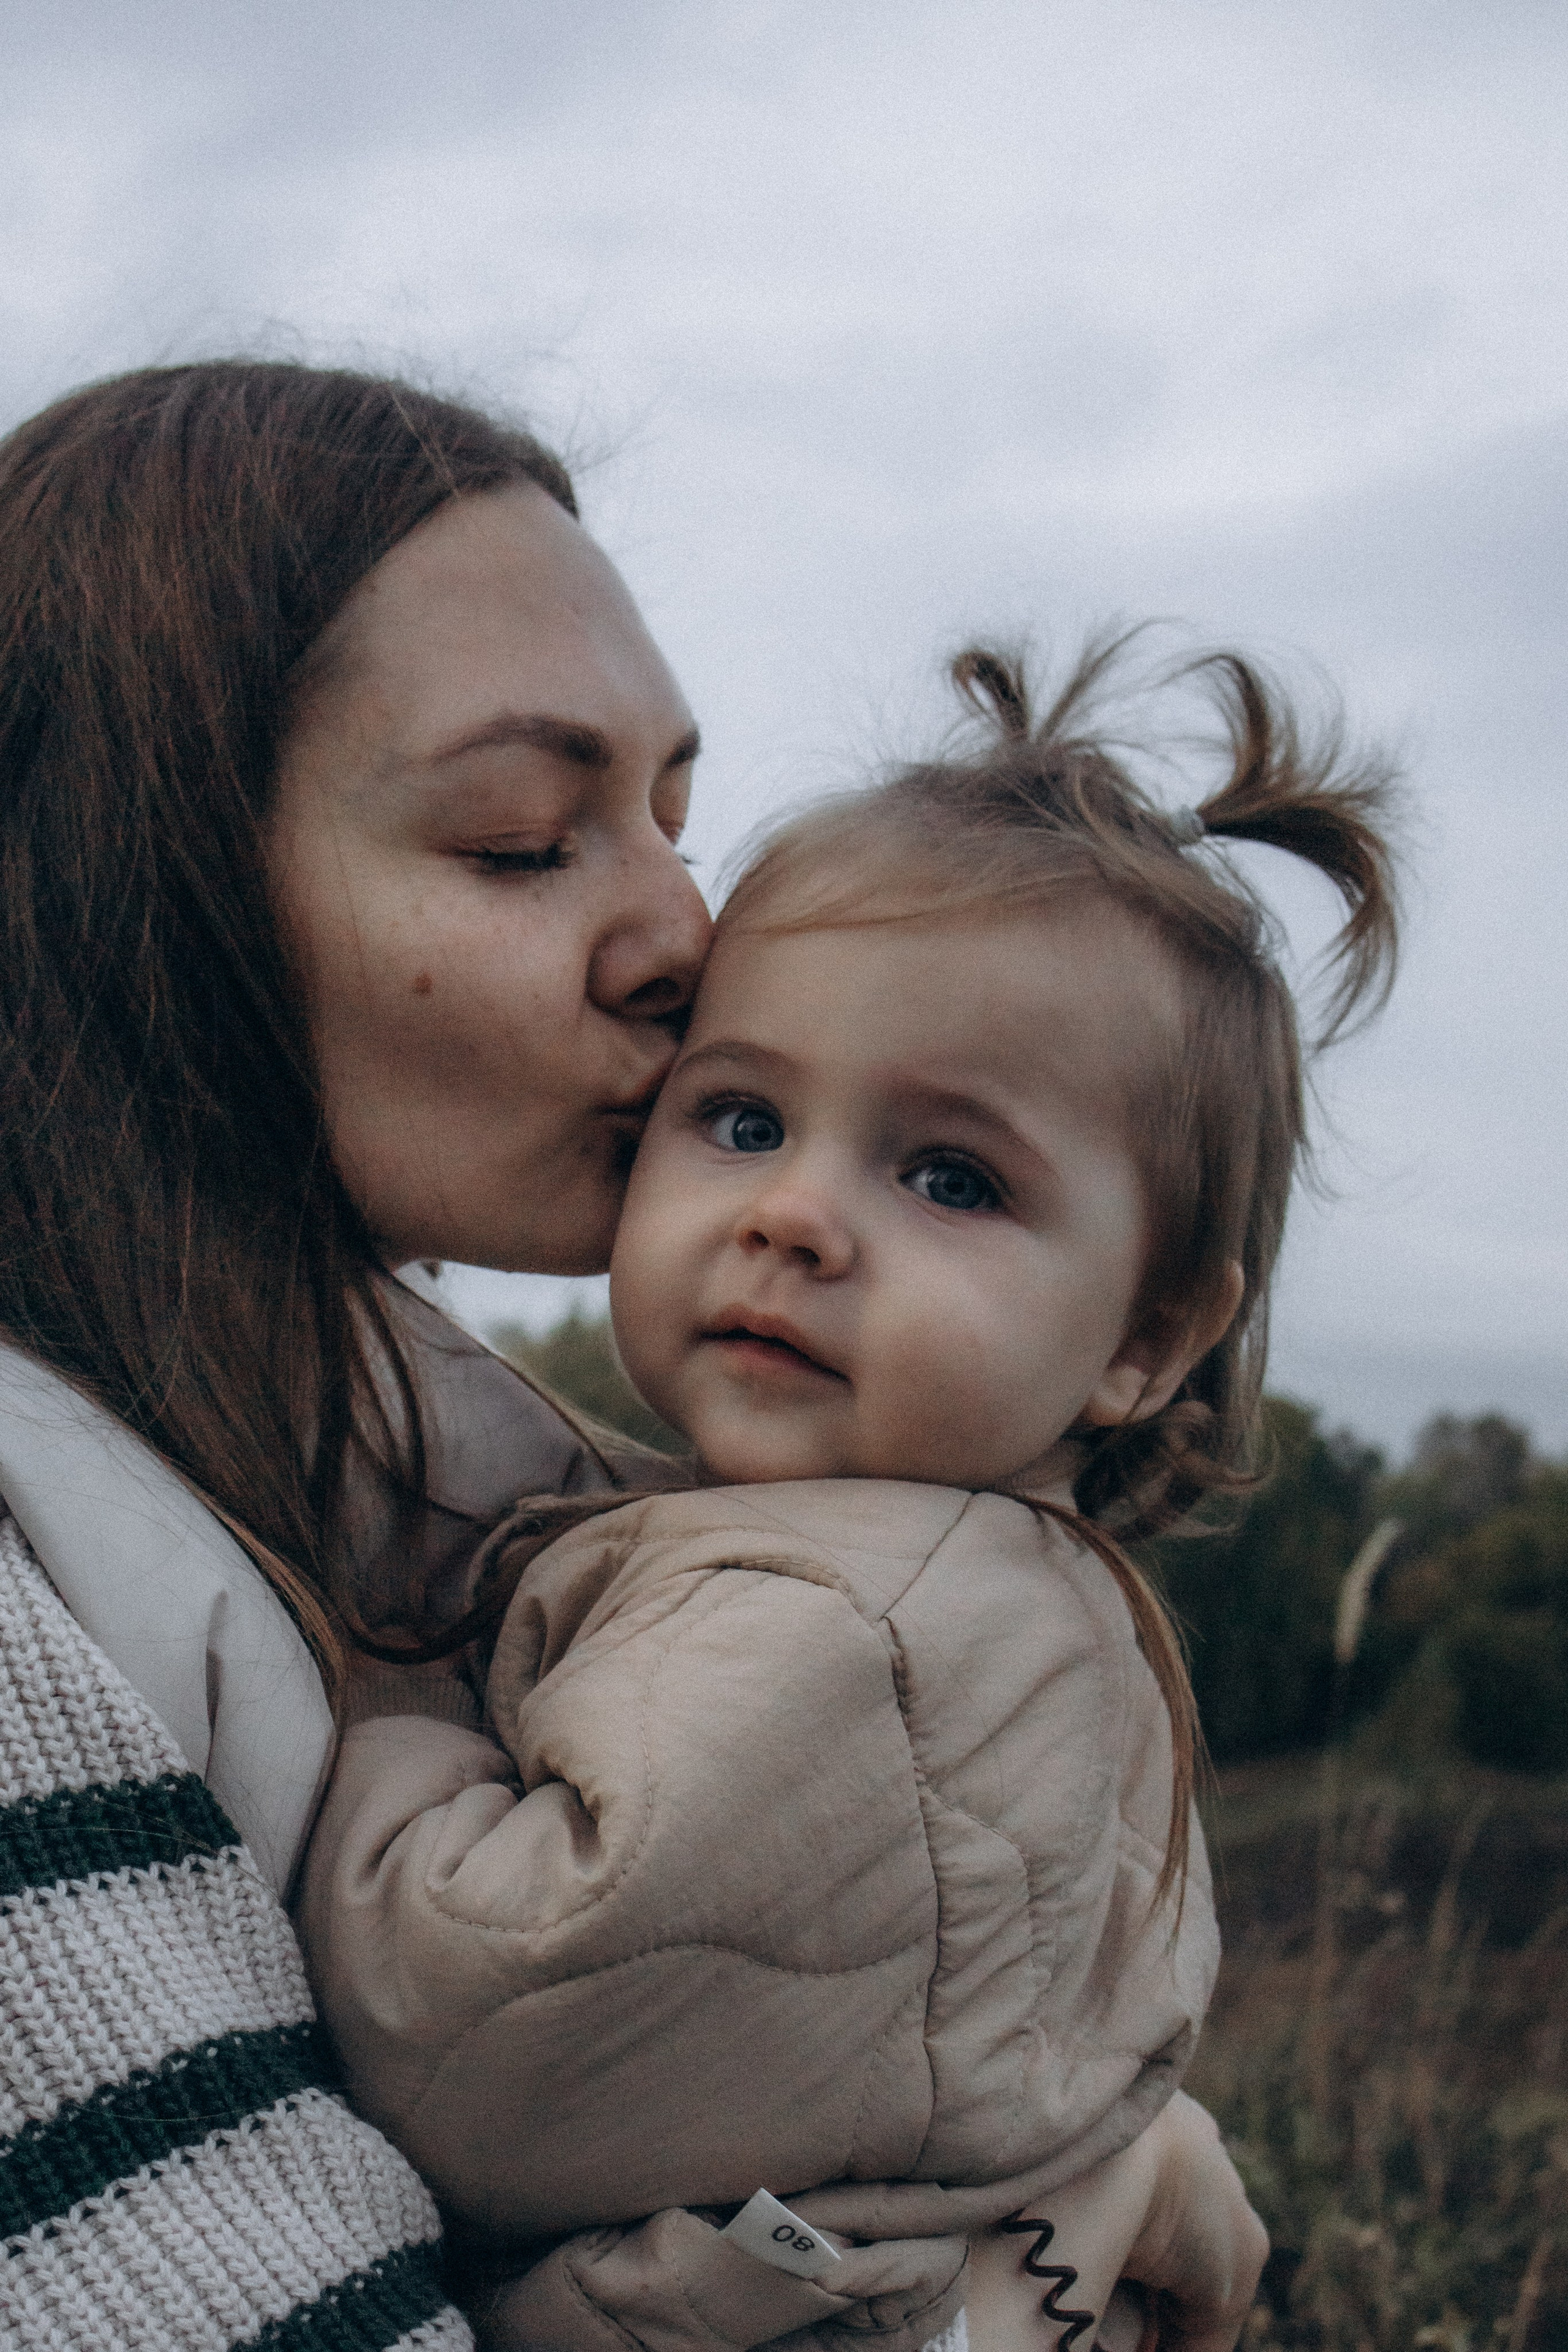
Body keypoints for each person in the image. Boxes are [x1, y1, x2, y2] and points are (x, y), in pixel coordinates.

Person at [0, 359, 1267, 2352]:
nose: (688, 932)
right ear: (139, 892)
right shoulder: (38, 1595)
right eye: (524, 841)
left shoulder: (469, 1476)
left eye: (670, 819)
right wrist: (1030, 2259)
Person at [303, 640, 1397, 2348]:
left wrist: (378, 1709)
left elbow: (478, 2045)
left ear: (1151, 1336)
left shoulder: (856, 1628)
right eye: (738, 1118)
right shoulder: (935, 1578)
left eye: (950, 1175)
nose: (795, 1215)